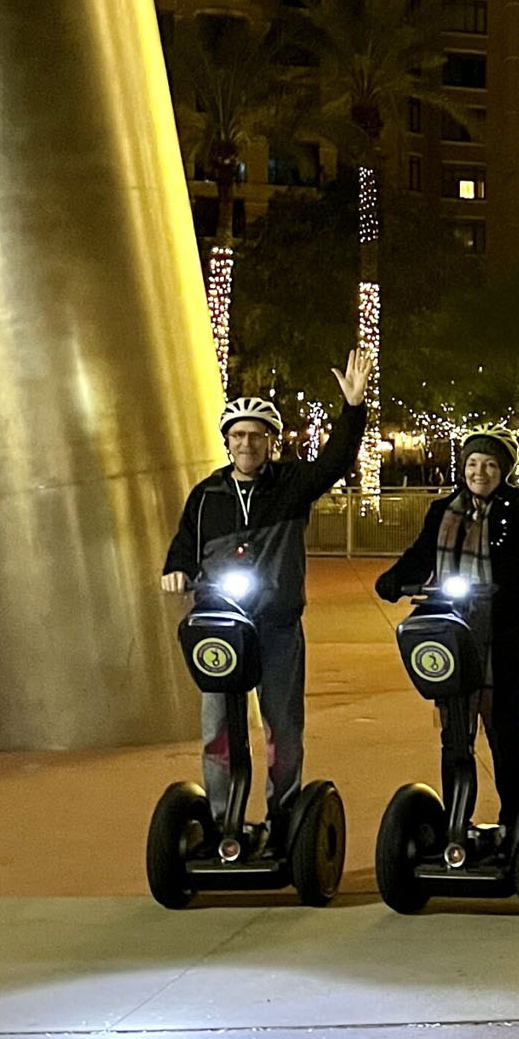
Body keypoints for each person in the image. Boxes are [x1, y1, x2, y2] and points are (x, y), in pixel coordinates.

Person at [160, 350, 370, 840]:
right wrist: (174, 572)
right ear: (227, 442)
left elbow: (336, 459)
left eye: (256, 435)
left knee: (282, 729)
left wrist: (353, 408)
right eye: (238, 435)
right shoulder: (207, 495)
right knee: (218, 732)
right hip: (220, 626)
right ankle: (218, 820)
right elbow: (182, 550)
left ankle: (284, 820)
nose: (247, 443)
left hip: (275, 626)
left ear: (270, 442)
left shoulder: (291, 485)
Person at [374, 411, 519, 829]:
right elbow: (422, 554)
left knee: (503, 730)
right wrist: (396, 578)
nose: (479, 472)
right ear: (462, 468)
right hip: (450, 630)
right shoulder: (443, 509)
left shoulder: (518, 508)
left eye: (489, 465)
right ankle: (455, 821)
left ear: (503, 471)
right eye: (472, 464)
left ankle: (514, 821)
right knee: (455, 737)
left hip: (505, 631)